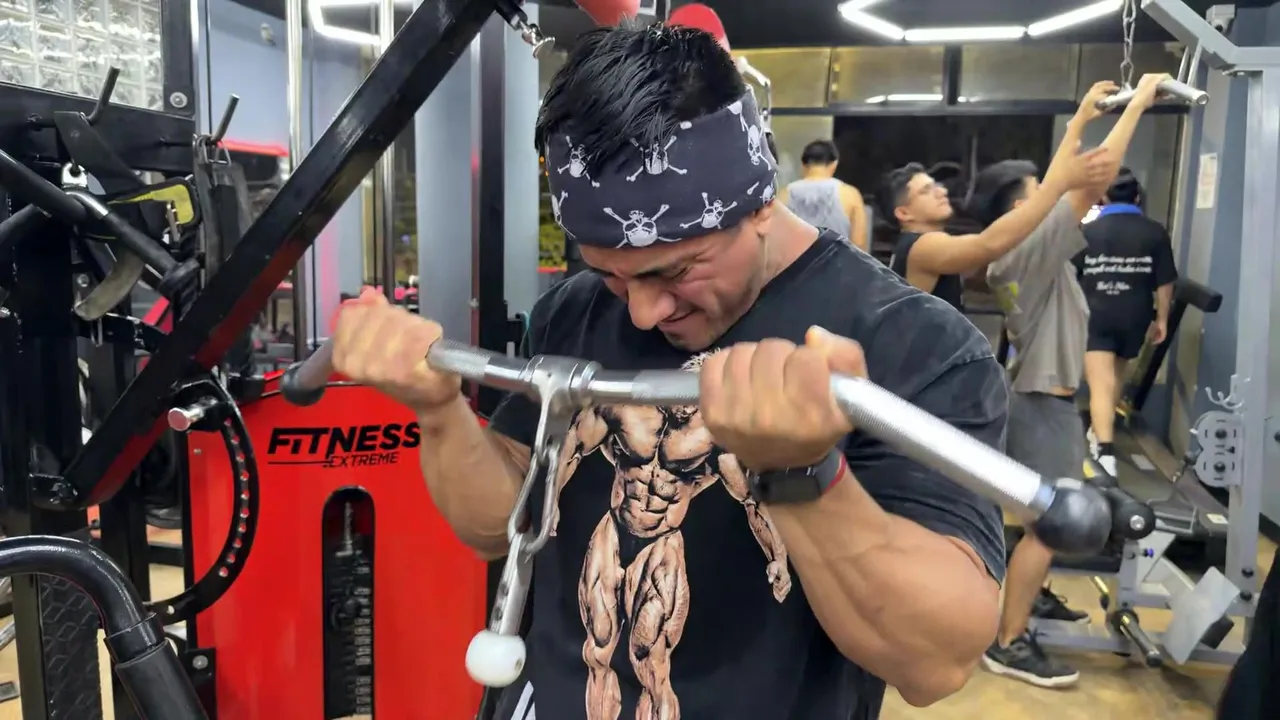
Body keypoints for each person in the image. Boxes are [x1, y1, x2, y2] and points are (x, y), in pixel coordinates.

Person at [330, 24, 1009, 720]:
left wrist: (802, 474)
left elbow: (934, 663)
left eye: (675, 270)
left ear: (761, 202)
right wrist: (438, 411)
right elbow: (499, 524)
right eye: (612, 274)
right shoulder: (575, 310)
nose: (644, 312)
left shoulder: (914, 343)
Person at [972, 72, 1170, 689]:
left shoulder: (1019, 251)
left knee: (1044, 519)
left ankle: (1030, 596)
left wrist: (1082, 116)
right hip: (1043, 404)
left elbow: (1072, 176)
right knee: (1052, 525)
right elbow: (1093, 177)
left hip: (1040, 398)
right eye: (1038, 193)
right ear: (1018, 209)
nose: (1052, 196)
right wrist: (1140, 102)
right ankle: (1008, 642)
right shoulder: (1027, 249)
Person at [878, 122, 1114, 313]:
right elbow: (987, 245)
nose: (941, 191)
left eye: (936, 185)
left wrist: (1077, 123)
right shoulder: (923, 246)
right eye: (925, 191)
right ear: (903, 213)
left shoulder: (917, 247)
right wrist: (1059, 184)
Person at [1075, 169, 1177, 476]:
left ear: (1104, 198)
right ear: (1136, 198)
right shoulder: (1155, 232)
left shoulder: (1088, 232)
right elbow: (1165, 281)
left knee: (1100, 383)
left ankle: (1105, 452)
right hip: (1135, 314)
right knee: (1116, 375)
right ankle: (1099, 430)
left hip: (1096, 312)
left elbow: (1071, 275)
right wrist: (1162, 318)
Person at [779, 140, 869, 250]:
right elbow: (859, 243)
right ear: (834, 164)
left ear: (803, 164)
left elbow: (773, 239)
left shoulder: (784, 194)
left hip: (795, 260)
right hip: (837, 260)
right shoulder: (850, 194)